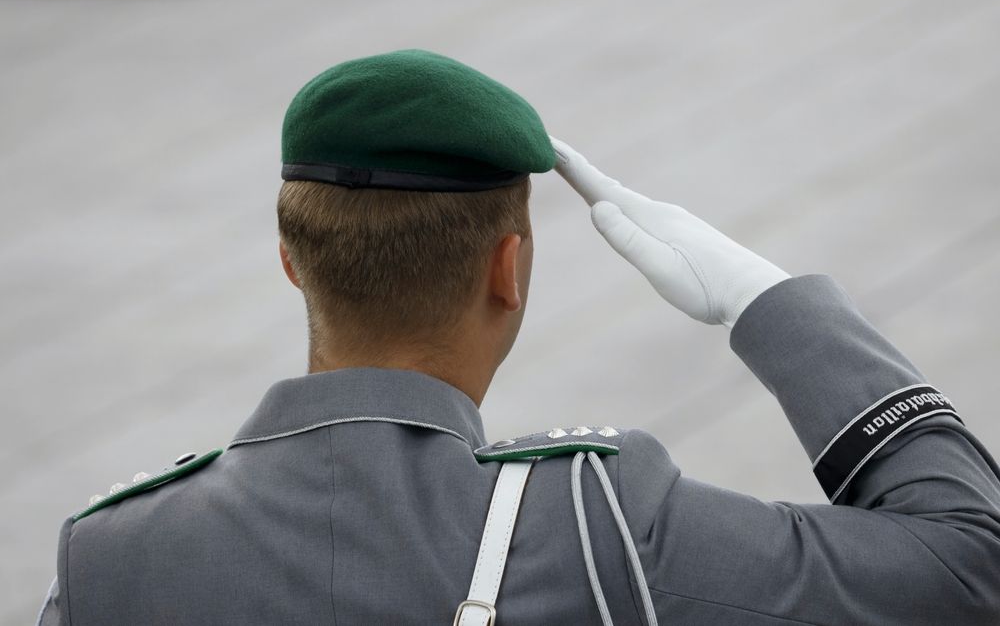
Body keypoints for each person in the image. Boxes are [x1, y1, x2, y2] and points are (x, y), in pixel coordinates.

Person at [38, 49, 1000, 625]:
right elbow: (968, 569)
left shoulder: (111, 555)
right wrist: (773, 301)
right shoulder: (599, 524)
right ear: (511, 269)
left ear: (291, 260)